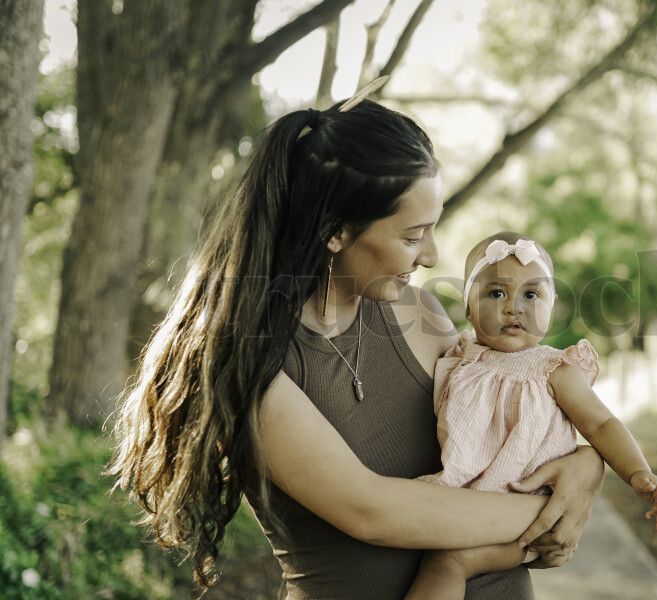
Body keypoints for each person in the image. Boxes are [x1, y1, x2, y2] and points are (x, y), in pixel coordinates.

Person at [107, 92, 606, 600]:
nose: (432, 256)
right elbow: (371, 511)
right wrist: (557, 507)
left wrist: (587, 465)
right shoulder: (249, 363)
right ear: (336, 231)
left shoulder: (423, 315)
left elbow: (518, 416)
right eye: (413, 237)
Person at [403, 231, 657, 600]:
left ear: (552, 305)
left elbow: (600, 423)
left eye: (531, 294)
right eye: (496, 293)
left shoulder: (553, 369)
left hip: (526, 516)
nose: (513, 307)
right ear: (468, 307)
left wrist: (637, 472)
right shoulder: (462, 355)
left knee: (447, 561)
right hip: (468, 501)